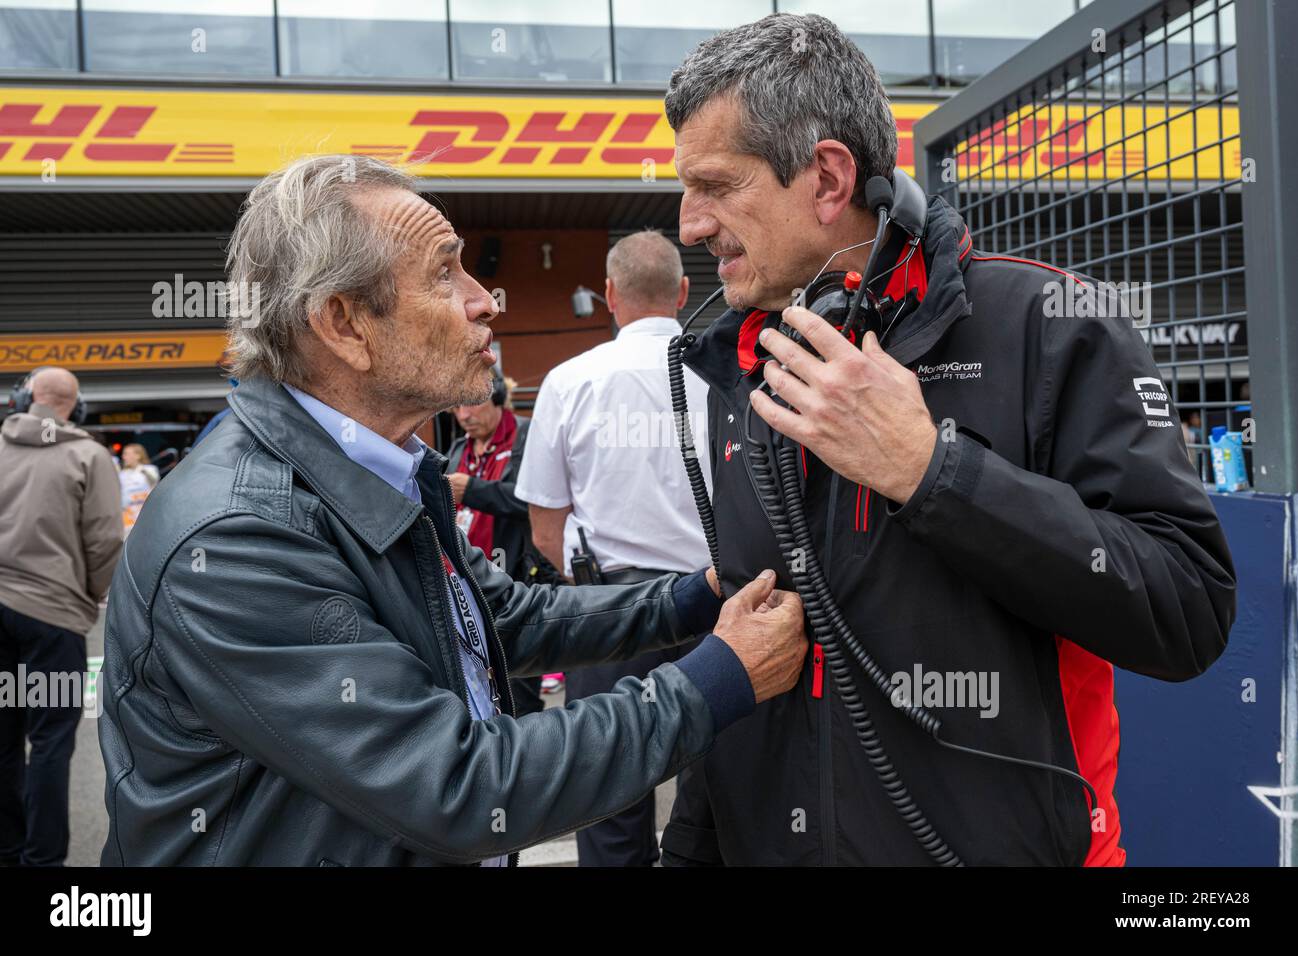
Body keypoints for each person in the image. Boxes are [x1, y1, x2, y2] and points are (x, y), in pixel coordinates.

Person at [97, 154, 809, 866]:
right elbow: (462, 787)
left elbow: (504, 620)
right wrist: (719, 677)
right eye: (445, 273)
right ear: (344, 325)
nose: (486, 301)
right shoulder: (239, 537)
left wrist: (695, 597)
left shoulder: (378, 469)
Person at [660, 13, 1236, 866]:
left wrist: (934, 472)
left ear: (826, 178)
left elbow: (1188, 608)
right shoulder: (751, 360)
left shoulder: (1046, 326)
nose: (689, 225)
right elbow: (753, 649)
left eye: (715, 185)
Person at [515, 229, 714, 867]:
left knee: (607, 793)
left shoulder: (569, 381)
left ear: (608, 294)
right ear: (684, 292)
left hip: (607, 611)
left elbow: (544, 531)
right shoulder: (721, 377)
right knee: (719, 787)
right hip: (715, 599)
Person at [0, 366, 123, 866]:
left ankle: (6, 852)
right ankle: (43, 860)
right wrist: (93, 597)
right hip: (53, 621)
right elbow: (105, 542)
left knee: (3, 740)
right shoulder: (88, 456)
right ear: (78, 405)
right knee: (51, 742)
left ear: (23, 398)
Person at [444, 370, 562, 716]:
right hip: (470, 582)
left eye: (472, 405)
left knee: (519, 691)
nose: (464, 416)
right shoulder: (458, 448)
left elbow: (539, 501)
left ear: (495, 398)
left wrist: (474, 491)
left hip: (519, 579)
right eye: (457, 408)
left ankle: (531, 762)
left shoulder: (526, 437)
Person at [118, 443, 160, 534]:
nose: (124, 457)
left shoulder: (149, 469)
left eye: (127, 454)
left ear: (138, 455)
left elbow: (154, 480)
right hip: (127, 519)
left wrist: (142, 469)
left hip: (146, 517)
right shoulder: (122, 474)